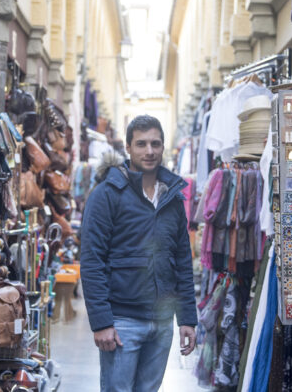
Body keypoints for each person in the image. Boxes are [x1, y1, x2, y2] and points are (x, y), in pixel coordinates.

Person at [80, 115, 198, 392]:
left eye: (155, 144)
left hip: (162, 322)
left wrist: (188, 319)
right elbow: (91, 261)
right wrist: (101, 323)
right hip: (122, 322)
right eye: (141, 144)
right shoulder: (107, 194)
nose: (149, 151)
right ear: (128, 148)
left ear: (163, 147)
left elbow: (182, 260)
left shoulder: (172, 197)